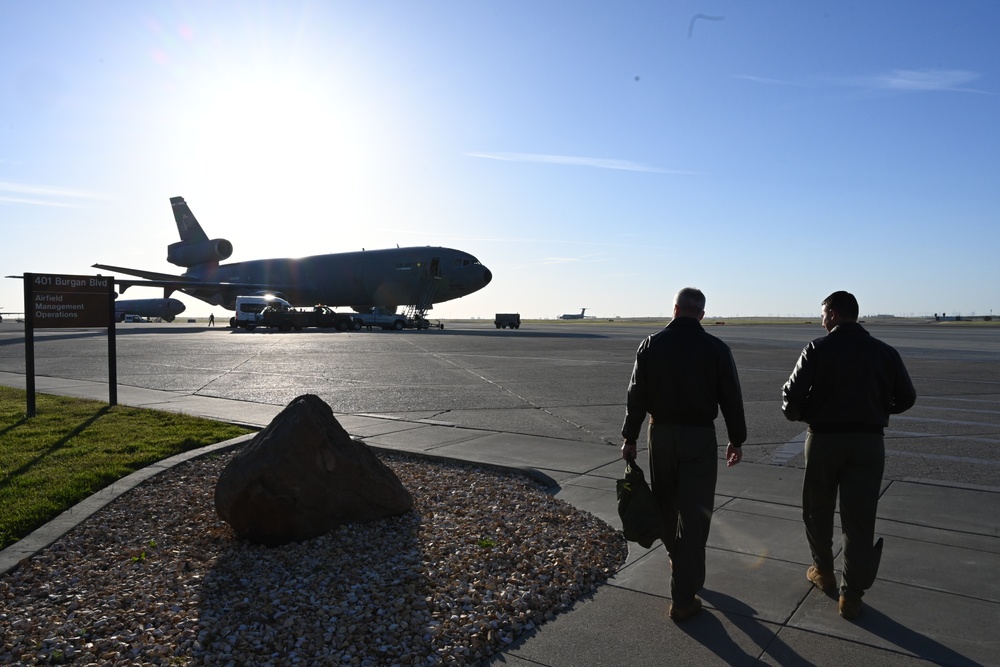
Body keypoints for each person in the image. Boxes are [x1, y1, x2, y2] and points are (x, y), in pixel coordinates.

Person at [782, 291, 916, 620]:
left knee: (817, 508)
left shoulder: (816, 348)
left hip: (824, 438)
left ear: (836, 315)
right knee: (859, 518)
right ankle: (851, 596)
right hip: (869, 442)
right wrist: (879, 409)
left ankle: (823, 571)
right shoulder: (885, 352)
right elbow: (907, 397)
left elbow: (790, 397)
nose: (822, 320)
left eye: (825, 314)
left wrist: (805, 413)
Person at [621, 287, 747, 622]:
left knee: (665, 505)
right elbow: (731, 398)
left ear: (675, 309)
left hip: (659, 433)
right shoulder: (717, 348)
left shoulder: (651, 344)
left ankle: (679, 560)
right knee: (695, 515)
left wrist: (629, 436)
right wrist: (737, 439)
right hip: (699, 436)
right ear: (701, 314)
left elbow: (637, 395)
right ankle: (683, 595)